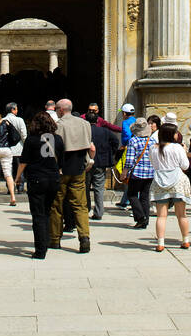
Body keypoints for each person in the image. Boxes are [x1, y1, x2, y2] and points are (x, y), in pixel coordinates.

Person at [17, 112, 64, 258]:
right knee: (47, 212)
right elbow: (62, 160)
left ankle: (40, 249)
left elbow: (24, 161)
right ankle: (47, 242)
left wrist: (17, 178)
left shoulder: (32, 140)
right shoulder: (58, 139)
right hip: (53, 179)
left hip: (37, 179)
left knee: (38, 215)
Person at [49, 99, 94, 252]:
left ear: (61, 110)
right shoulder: (85, 124)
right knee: (80, 205)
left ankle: (55, 239)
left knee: (57, 205)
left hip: (62, 169)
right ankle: (84, 237)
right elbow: (89, 145)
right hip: (79, 168)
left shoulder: (57, 126)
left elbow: (52, 150)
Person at [150, 122, 191, 250]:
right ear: (171, 134)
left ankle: (160, 243)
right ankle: (185, 240)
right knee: (181, 215)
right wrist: (184, 152)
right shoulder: (177, 147)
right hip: (177, 181)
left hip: (160, 181)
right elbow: (185, 166)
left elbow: (153, 165)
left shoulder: (153, 148)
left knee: (161, 216)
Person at [86, 109, 122, 220]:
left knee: (84, 188)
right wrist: (110, 152)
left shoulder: (84, 131)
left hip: (86, 162)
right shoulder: (105, 131)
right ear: (97, 120)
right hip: (101, 162)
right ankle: (99, 212)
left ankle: (86, 209)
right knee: (99, 189)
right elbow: (115, 141)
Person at [122, 118, 154, 229]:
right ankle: (145, 219)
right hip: (150, 172)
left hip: (137, 173)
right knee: (145, 196)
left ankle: (141, 218)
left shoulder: (133, 141)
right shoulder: (152, 141)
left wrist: (124, 172)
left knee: (132, 195)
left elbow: (129, 160)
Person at [4, 102, 27, 195]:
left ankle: (10, 188)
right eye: (16, 109)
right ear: (13, 110)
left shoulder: (2, 120)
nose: (17, 110)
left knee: (8, 170)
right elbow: (24, 135)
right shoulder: (20, 120)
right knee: (19, 168)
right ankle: (20, 187)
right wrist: (26, 145)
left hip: (7, 149)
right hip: (19, 148)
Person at [117, 103, 137, 209]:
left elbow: (127, 134)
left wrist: (125, 144)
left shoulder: (125, 123)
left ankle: (127, 201)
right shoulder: (136, 120)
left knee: (125, 173)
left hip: (127, 149)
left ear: (124, 113)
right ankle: (125, 200)